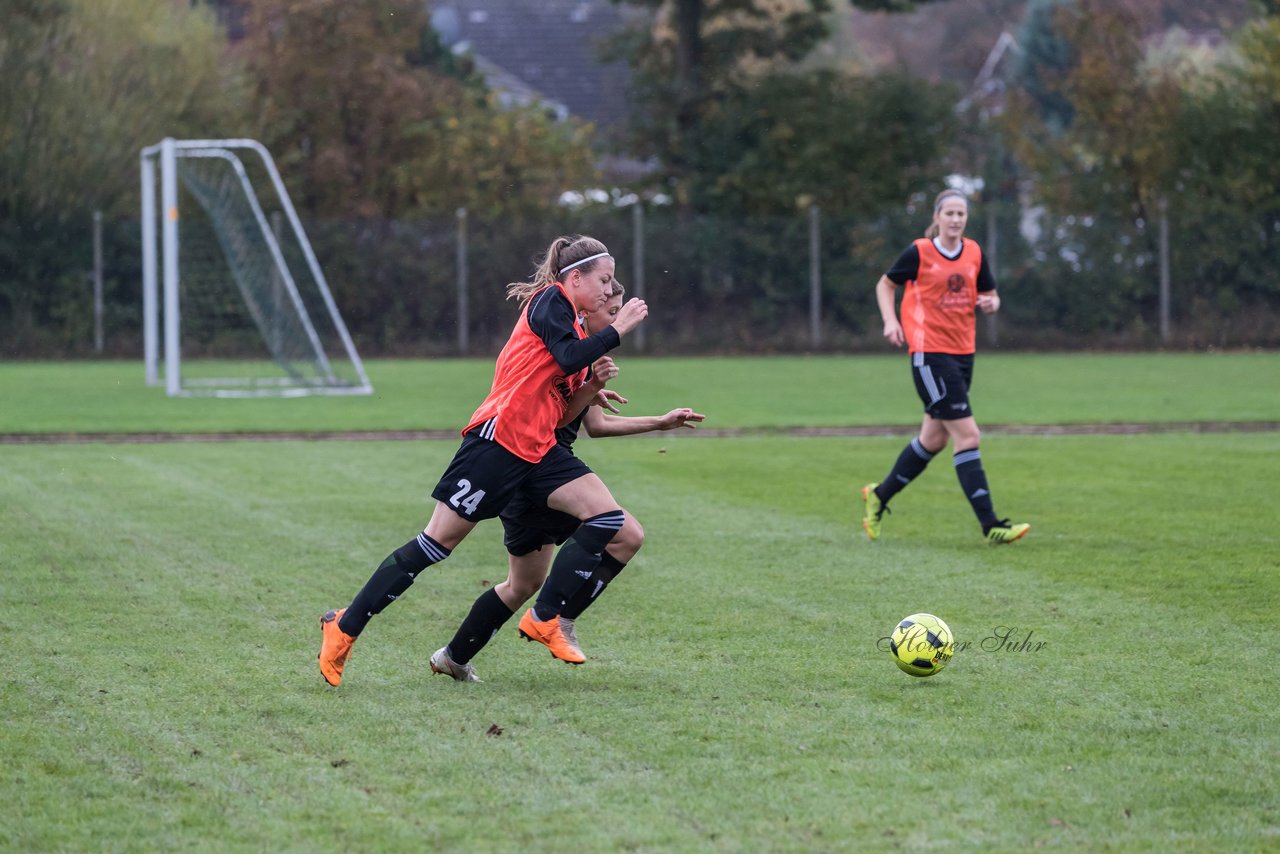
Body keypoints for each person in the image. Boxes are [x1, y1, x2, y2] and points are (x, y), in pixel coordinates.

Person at [317, 235, 648, 687]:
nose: (609, 291)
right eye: (604, 281)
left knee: (610, 521)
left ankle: (544, 620)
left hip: (538, 452)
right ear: (574, 279)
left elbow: (566, 406)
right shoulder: (549, 300)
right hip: (499, 442)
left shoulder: (572, 326)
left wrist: (589, 388)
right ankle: (345, 624)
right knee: (436, 545)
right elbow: (569, 356)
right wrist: (619, 329)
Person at [428, 285, 704, 682]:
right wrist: (591, 385)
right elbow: (556, 422)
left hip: (538, 473)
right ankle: (555, 619)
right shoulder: (564, 352)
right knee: (622, 531)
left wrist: (661, 421)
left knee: (522, 583)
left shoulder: (582, 358)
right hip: (539, 467)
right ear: (585, 312)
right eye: (609, 310)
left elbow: (598, 425)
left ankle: (453, 657)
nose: (613, 318)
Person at [860, 189, 1030, 545]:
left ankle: (880, 496)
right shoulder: (920, 252)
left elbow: (992, 296)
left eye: (961, 214)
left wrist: (991, 304)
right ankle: (991, 525)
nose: (955, 219)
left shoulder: (974, 253)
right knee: (968, 435)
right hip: (928, 353)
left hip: (963, 353)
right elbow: (885, 284)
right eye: (949, 213)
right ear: (937, 217)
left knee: (933, 439)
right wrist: (891, 322)